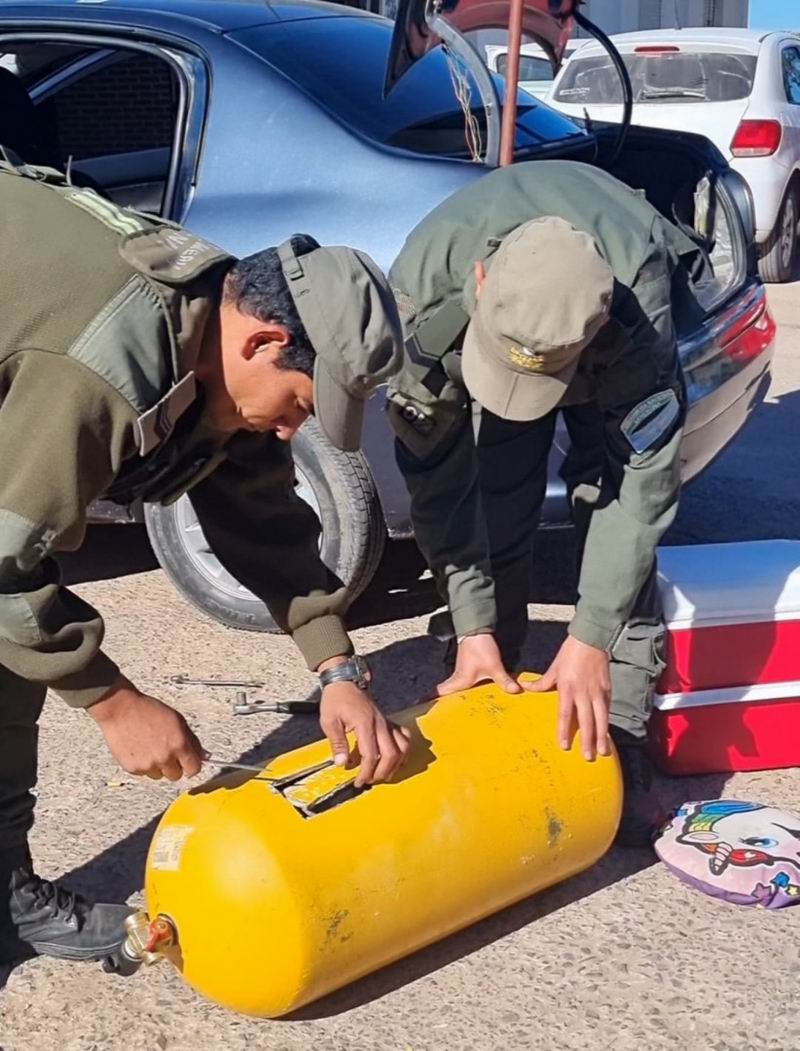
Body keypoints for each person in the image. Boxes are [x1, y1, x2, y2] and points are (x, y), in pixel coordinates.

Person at [0, 156, 410, 965]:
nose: (295, 429)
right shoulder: (106, 366)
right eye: (300, 403)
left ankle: (3, 895)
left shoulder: (214, 334)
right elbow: (5, 566)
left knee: (15, 651)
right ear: (265, 340)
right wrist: (114, 703)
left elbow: (264, 521)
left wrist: (337, 672)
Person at [386, 160, 708, 847]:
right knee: (496, 493)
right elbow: (437, 477)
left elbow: (639, 490)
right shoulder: (426, 282)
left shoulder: (634, 304)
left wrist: (590, 636)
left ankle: (618, 733)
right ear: (479, 284)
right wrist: (471, 621)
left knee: (607, 511)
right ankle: (486, 672)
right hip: (497, 322)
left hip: (608, 337)